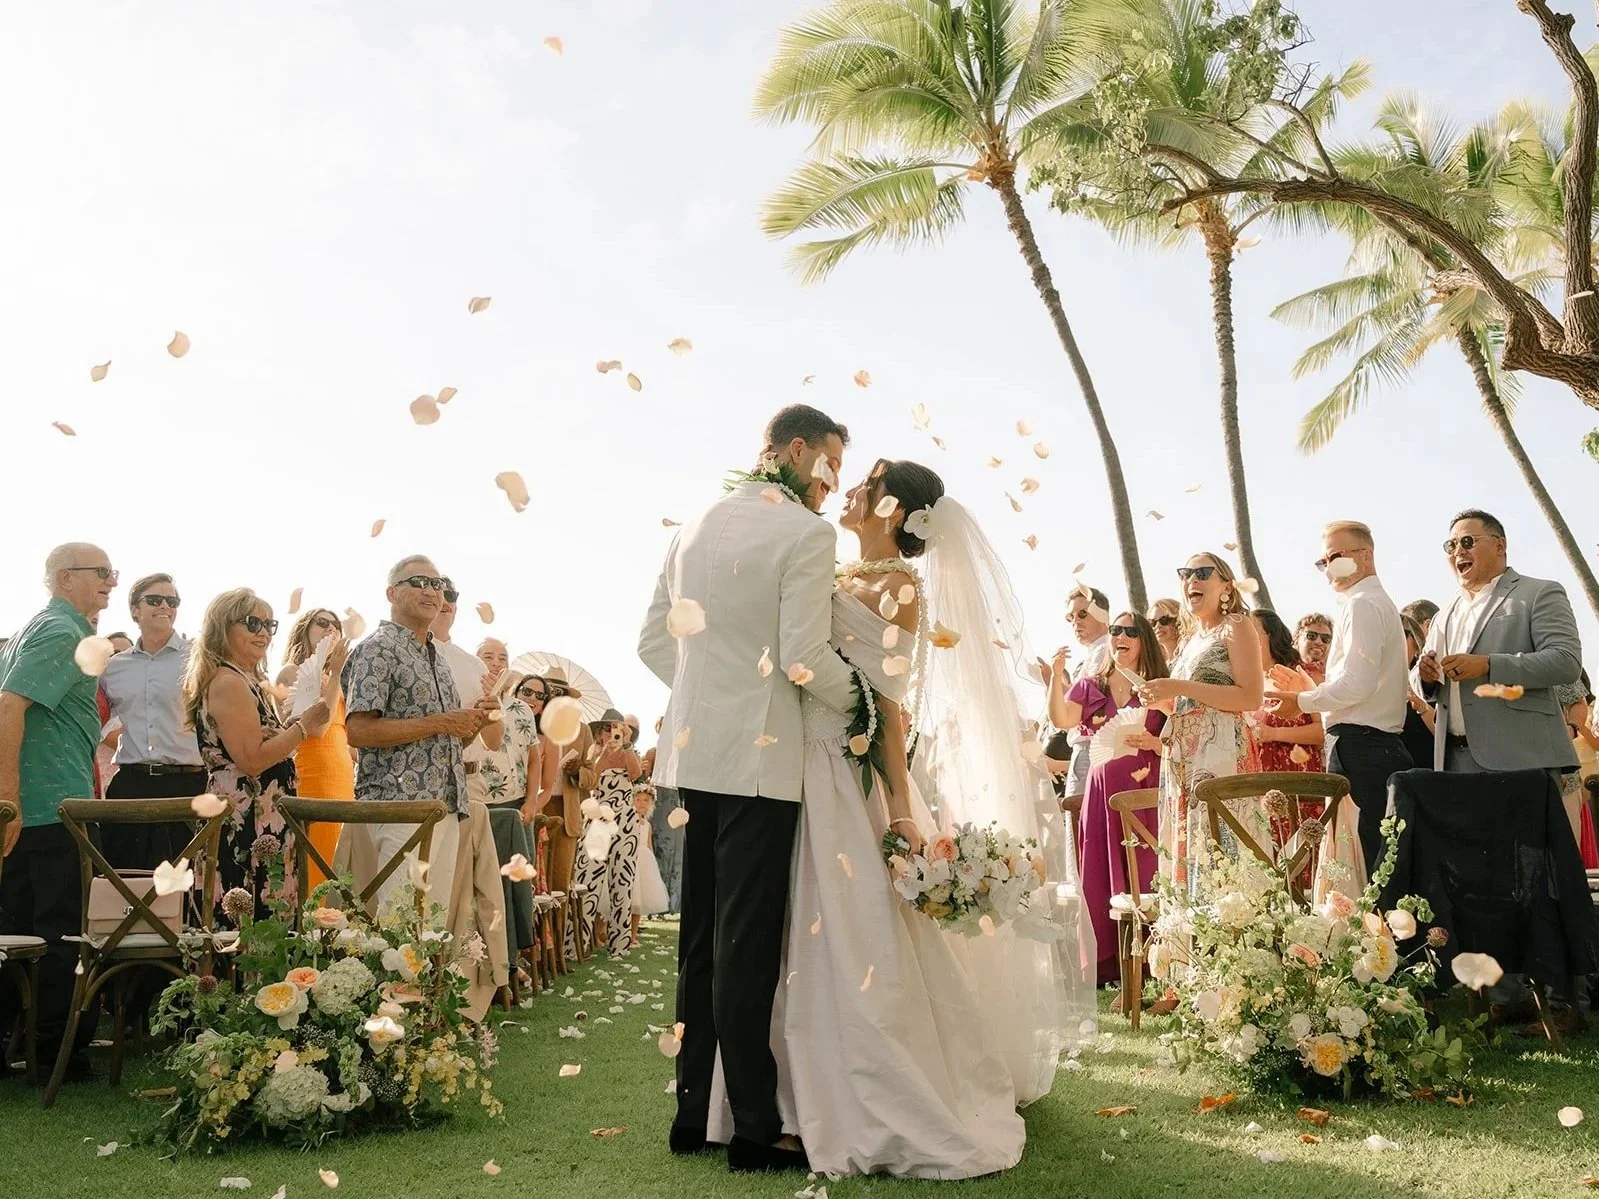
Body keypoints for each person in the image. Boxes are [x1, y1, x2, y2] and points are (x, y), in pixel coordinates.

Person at [720, 456, 1091, 1179]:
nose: (851, 486)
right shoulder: (833, 572)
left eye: (869, 480)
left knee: (851, 933)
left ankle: (851, 1091)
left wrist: (896, 807)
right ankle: (779, 1091)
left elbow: (887, 706)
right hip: (790, 762)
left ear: (897, 510)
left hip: (839, 772)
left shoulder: (895, 587)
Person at [640, 404, 861, 1173]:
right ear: (796, 451)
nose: (832, 487)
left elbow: (650, 641)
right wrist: (865, 702)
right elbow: (803, 656)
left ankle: (690, 1112)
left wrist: (708, 694)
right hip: (762, 767)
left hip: (691, 759)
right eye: (829, 465)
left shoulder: (693, 523)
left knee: (699, 940)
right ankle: (756, 1128)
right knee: (744, 946)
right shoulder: (805, 534)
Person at [0, 543, 117, 1077]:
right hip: (49, 808)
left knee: (20, 934)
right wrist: (9, 799)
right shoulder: (62, 631)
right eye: (103, 573)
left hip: (38, 806)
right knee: (58, 934)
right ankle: (53, 1056)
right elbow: (9, 706)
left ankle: (22, 1047)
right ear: (65, 578)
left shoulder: (38, 627)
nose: (112, 582)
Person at [342, 557, 496, 915]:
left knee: (430, 925)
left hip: (445, 803)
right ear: (392, 593)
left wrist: (473, 723)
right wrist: (443, 722)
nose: (431, 590)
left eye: (437, 583)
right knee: (399, 923)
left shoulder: (438, 660)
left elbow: (450, 742)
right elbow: (358, 731)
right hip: (400, 805)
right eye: (419, 582)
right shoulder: (376, 649)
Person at [1268, 523, 1413, 874]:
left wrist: (1300, 700)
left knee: (1362, 866)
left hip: (1361, 748)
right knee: (1370, 862)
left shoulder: (1363, 604)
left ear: (1366, 555)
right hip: (1372, 746)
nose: (1329, 566)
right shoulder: (1372, 603)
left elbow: (1357, 684)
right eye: (1323, 561)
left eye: (1337, 556)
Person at [184, 588, 331, 916]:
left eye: (269, 624)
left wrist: (292, 725)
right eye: (252, 623)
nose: (263, 632)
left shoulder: (247, 679)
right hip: (246, 817)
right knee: (249, 924)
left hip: (265, 813)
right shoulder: (228, 682)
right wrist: (302, 727)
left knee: (269, 923)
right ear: (224, 628)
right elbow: (251, 760)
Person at [1413, 510, 1583, 775]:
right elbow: (1418, 678)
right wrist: (1425, 677)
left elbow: (1565, 662)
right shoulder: (1443, 615)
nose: (1458, 551)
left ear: (1500, 545)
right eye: (1451, 545)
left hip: (1521, 760)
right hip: (1453, 765)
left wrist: (1488, 665)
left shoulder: (1539, 593)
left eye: (1467, 541)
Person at [1051, 610, 1167, 991]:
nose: (1120, 636)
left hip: (1146, 795)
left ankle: (1157, 964)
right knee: (1101, 875)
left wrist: (1156, 742)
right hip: (1100, 800)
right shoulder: (1091, 686)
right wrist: (1056, 675)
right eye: (1115, 629)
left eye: (1130, 631)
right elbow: (1062, 718)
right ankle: (1109, 968)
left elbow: (1181, 735)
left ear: (1143, 640)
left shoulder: (1157, 687)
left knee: (1145, 875)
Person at [1141, 552, 1265, 895]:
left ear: (1226, 585)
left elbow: (1250, 698)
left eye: (1202, 573)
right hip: (1183, 754)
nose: (1190, 580)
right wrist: (1162, 700)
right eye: (1185, 573)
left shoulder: (1237, 626)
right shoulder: (1188, 641)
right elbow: (1190, 704)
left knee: (1223, 843)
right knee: (1190, 841)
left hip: (1221, 752)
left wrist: (1178, 686)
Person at [275, 609, 354, 886]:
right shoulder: (292, 672)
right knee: (314, 860)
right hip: (312, 775)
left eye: (336, 625)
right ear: (304, 629)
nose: (330, 629)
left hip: (343, 778)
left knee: (340, 864)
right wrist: (334, 675)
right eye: (321, 622)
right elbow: (318, 727)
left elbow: (348, 736)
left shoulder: (339, 681)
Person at [575, 709, 643, 956]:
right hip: (598, 820)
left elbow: (636, 776)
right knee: (588, 880)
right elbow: (591, 782)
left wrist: (624, 745)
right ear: (599, 732)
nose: (610, 733)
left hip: (625, 821)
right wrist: (605, 753)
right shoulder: (592, 752)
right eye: (606, 728)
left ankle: (620, 944)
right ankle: (577, 945)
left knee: (622, 882)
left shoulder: (629, 753)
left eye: (615, 728)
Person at [1249, 609, 1324, 775]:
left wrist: (1273, 733)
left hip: (1298, 782)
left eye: (1251, 633)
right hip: (1258, 783)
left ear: (1273, 637)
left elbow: (1323, 731)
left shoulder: (1302, 675)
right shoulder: (1246, 686)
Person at [1398, 615, 1437, 773]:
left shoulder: (1429, 681)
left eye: (1400, 634)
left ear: (1416, 645)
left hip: (1423, 777)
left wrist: (1420, 705)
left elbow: (1445, 733)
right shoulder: (1366, 685)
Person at [1146, 597, 1188, 664]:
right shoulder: (1156, 664)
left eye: (1164, 620)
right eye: (1152, 623)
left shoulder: (1190, 652)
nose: (1157, 626)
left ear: (1179, 621)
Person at [1294, 612, 1334, 683]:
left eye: (1326, 638)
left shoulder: (1337, 675)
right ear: (1296, 639)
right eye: (1311, 636)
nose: (1319, 642)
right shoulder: (1282, 669)